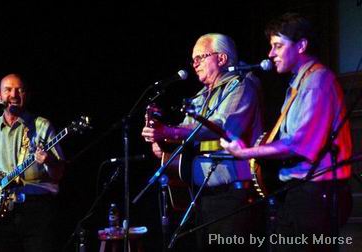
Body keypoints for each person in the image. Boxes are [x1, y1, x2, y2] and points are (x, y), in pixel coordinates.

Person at [221, 13, 352, 251]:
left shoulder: (317, 81)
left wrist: (247, 152)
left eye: (278, 46)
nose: (271, 54)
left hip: (315, 194)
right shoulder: (298, 82)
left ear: (301, 45)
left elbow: (299, 144)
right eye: (271, 47)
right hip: (299, 192)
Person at [142, 33, 265, 250]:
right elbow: (183, 135)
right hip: (201, 196)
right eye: (193, 59)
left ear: (222, 58)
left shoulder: (242, 86)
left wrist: (169, 131)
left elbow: (224, 126)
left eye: (200, 57)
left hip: (233, 196)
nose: (194, 64)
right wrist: (160, 139)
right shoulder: (201, 96)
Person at [0, 73, 65, 252]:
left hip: (36, 212)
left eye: (20, 90)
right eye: (8, 90)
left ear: (27, 95)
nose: (14, 94)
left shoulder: (41, 126)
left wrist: (48, 160)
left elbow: (58, 174)